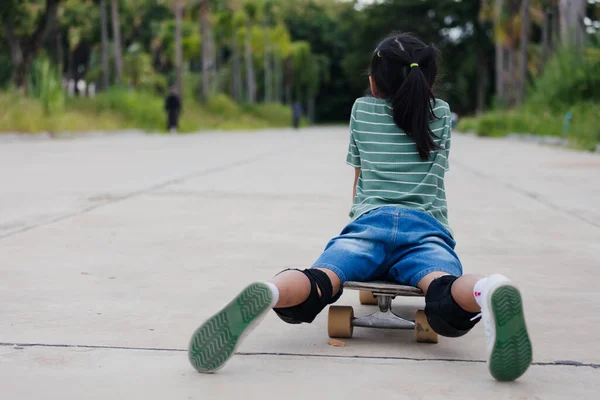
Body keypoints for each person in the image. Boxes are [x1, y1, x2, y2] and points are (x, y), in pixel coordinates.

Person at [187, 33, 533, 382]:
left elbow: (359, 177)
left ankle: (274, 291)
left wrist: (359, 218)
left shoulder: (362, 109)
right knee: (443, 292)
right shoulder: (440, 113)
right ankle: (487, 290)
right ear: (428, 81)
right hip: (425, 229)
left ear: (372, 81)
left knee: (320, 279)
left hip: (369, 225)